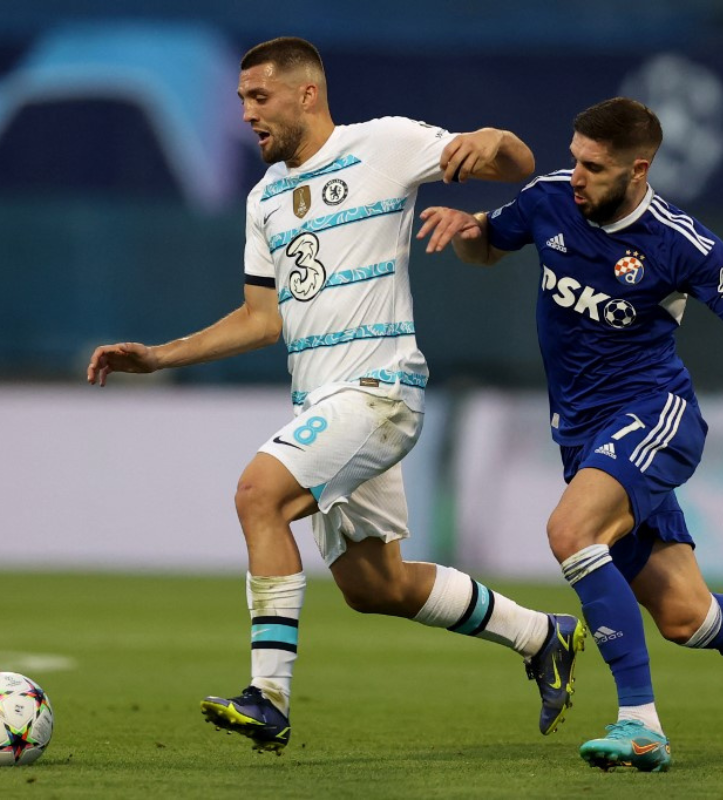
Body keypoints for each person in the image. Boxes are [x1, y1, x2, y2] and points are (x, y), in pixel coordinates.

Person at [86, 37, 585, 754]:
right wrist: (160, 357)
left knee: (259, 495)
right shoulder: (264, 201)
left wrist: (490, 140)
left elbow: (521, 164)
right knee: (374, 587)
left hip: (380, 393)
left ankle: (269, 697)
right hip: (325, 407)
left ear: (306, 94)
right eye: (240, 102)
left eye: (259, 98)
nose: (247, 114)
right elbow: (262, 319)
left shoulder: (381, 144)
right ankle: (540, 635)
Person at [416, 97, 723, 772]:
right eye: (575, 157)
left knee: (570, 532)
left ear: (638, 170)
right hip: (585, 437)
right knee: (689, 618)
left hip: (654, 415)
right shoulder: (550, 198)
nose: (576, 174)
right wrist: (467, 229)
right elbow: (486, 252)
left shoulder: (679, 242)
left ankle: (640, 722)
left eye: (594, 165)